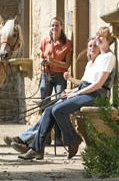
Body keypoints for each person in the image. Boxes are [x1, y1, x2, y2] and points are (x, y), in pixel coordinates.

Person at [18, 27, 116, 160]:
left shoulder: (110, 57)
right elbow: (86, 83)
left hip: (97, 96)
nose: (98, 39)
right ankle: (36, 149)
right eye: (97, 35)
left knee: (58, 110)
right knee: (48, 110)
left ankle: (73, 139)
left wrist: (76, 93)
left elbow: (98, 84)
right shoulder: (99, 58)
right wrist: (72, 91)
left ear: (108, 40)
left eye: (101, 37)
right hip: (87, 93)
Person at [5, 37, 100, 153]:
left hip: (84, 94)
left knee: (54, 110)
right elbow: (83, 84)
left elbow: (93, 85)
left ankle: (28, 142)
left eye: (95, 45)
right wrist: (71, 84)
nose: (92, 48)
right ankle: (33, 146)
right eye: (90, 46)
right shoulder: (90, 63)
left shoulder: (101, 62)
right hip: (76, 91)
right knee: (48, 110)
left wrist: (74, 92)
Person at [4, 17, 72, 150]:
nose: (54, 28)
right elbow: (42, 57)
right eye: (52, 25)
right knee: (45, 106)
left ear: (61, 27)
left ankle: (56, 137)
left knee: (58, 105)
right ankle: (46, 138)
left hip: (59, 77)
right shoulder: (45, 41)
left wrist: (53, 62)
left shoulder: (67, 44)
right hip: (46, 75)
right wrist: (45, 63)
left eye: (57, 25)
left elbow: (67, 64)